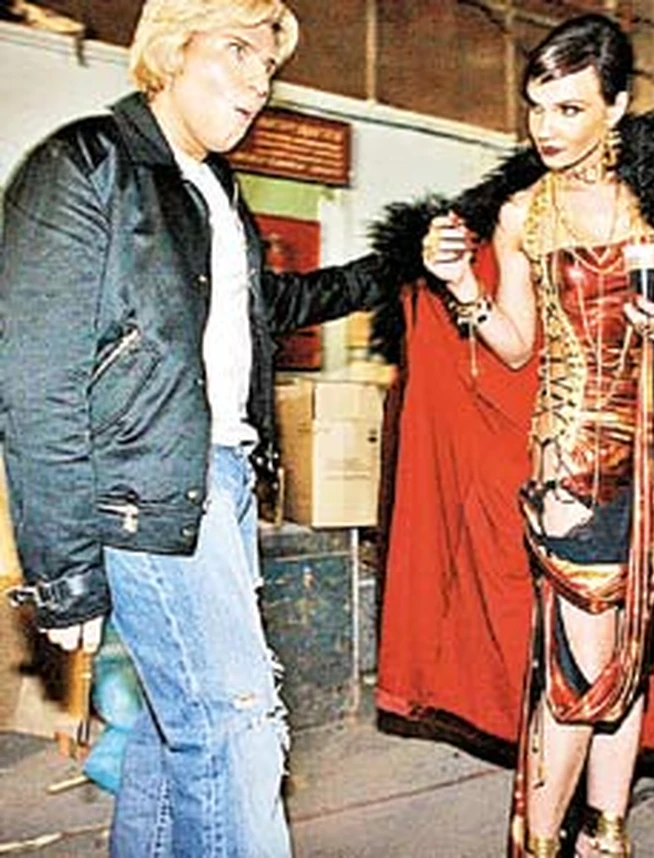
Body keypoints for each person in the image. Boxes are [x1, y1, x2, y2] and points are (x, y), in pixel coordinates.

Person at [0, 1, 389, 855]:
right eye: (238, 50)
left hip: (222, 482)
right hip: (150, 488)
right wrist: (62, 569)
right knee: (236, 725)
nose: (259, 81)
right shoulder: (87, 163)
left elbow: (267, 307)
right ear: (173, 47)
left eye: (269, 65)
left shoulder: (212, 187)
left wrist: (385, 271)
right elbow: (35, 381)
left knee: (172, 725)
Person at [373, 12, 654, 858]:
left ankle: (606, 836)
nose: (545, 129)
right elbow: (516, 344)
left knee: (627, 662)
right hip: (571, 472)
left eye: (568, 108)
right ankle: (540, 842)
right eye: (536, 107)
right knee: (578, 675)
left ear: (615, 107)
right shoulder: (522, 214)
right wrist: (460, 286)